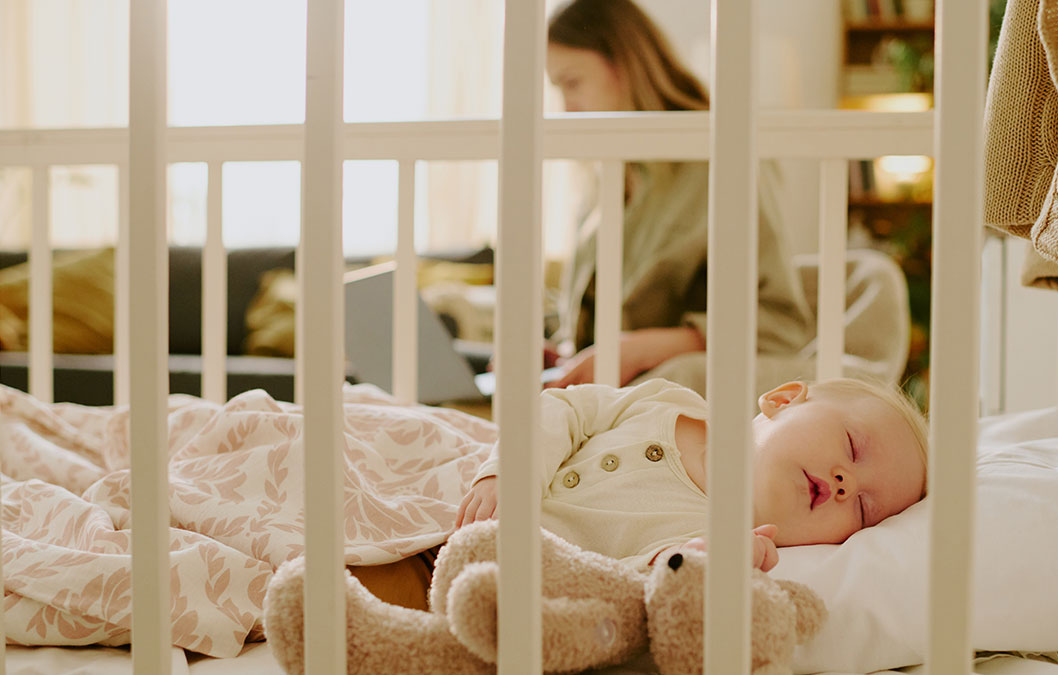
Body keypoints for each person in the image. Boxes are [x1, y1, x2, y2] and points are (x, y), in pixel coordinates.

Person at [352, 376, 928, 607]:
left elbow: (633, 586)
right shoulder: (668, 405)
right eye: (852, 448)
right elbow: (564, 407)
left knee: (346, 590)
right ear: (783, 398)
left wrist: (698, 566)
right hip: (452, 502)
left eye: (865, 507)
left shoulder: (720, 541)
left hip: (470, 580)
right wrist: (506, 471)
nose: (847, 483)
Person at [541, 0, 815, 395]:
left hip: (670, 400)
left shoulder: (721, 161)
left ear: (625, 65)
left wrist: (640, 350)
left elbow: (779, 324)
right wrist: (564, 353)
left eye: (572, 83)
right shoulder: (607, 180)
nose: (566, 108)